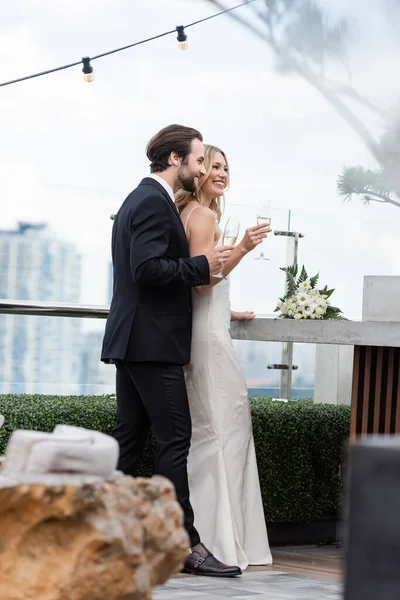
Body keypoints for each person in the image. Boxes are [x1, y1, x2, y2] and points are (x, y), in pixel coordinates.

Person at [101, 125, 241, 577]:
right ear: (177, 159)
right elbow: (146, 269)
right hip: (151, 343)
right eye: (200, 161)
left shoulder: (140, 200)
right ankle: (186, 547)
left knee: (128, 439)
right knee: (174, 439)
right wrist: (203, 264)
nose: (202, 169)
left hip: (136, 339)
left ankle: (106, 536)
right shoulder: (149, 201)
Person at [175, 144, 273, 571]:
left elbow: (201, 287)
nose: (220, 172)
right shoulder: (205, 216)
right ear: (196, 170)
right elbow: (201, 282)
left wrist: (229, 309)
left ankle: (212, 536)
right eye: (212, 164)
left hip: (206, 328)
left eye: (226, 167)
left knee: (212, 430)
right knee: (223, 432)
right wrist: (245, 249)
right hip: (210, 341)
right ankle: (220, 540)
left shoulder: (190, 215)